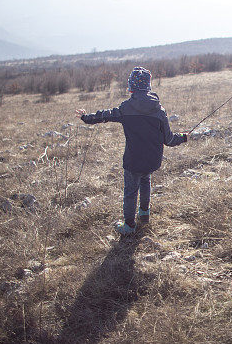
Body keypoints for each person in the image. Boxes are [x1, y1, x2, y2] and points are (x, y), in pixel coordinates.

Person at [76, 66, 187, 236]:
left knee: (130, 192)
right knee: (146, 180)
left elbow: (106, 115)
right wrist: (183, 137)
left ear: (132, 87)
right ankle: (144, 214)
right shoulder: (159, 110)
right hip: (152, 161)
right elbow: (169, 139)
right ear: (148, 86)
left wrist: (86, 117)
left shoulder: (126, 108)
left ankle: (129, 226)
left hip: (133, 161)